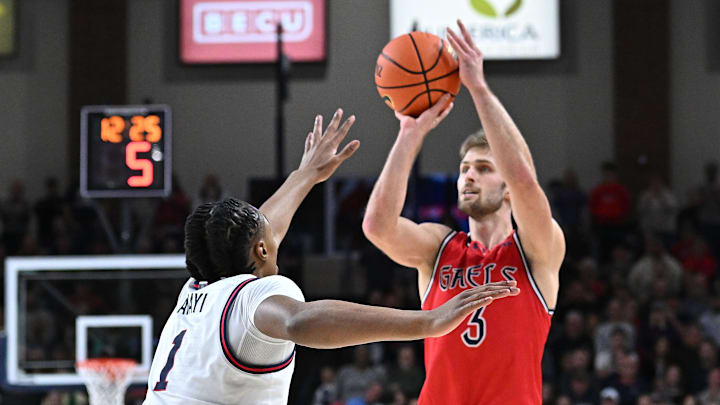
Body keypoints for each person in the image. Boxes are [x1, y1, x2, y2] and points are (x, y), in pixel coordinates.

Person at [143, 109, 519, 405]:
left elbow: (262, 228)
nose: (275, 235)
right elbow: (300, 321)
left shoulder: (199, 287)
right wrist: (427, 322)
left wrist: (304, 175)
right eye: (266, 239)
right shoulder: (252, 297)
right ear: (260, 249)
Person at [362, 20, 565, 404]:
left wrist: (478, 88)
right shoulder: (439, 247)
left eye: (484, 169)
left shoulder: (537, 249)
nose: (468, 176)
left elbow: (524, 179)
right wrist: (409, 135)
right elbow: (378, 226)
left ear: (506, 190)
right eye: (464, 169)